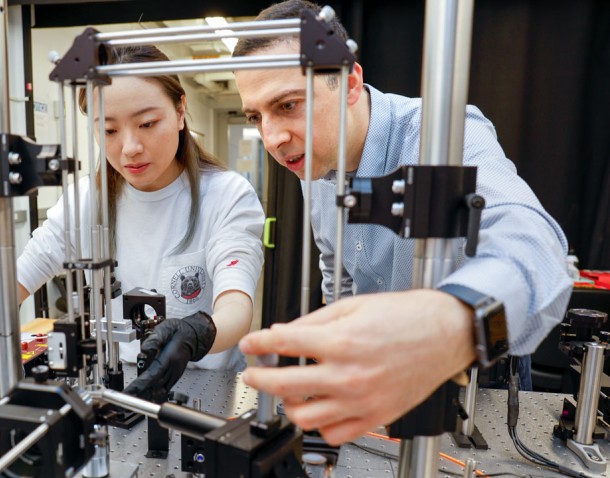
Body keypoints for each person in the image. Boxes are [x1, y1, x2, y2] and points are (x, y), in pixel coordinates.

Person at [232, 0, 572, 445]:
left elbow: (537, 248)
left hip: (474, 377)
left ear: (350, 82)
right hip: (380, 376)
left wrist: (451, 325)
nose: (273, 138)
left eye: (289, 104)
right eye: (256, 117)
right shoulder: (314, 163)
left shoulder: (442, 134)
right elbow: (339, 275)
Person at [0, 45, 265, 403]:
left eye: (147, 124)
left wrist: (195, 334)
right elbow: (15, 279)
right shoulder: (86, 202)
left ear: (181, 110)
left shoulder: (227, 196)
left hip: (207, 389)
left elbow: (236, 306)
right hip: (115, 387)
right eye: (108, 130)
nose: (130, 147)